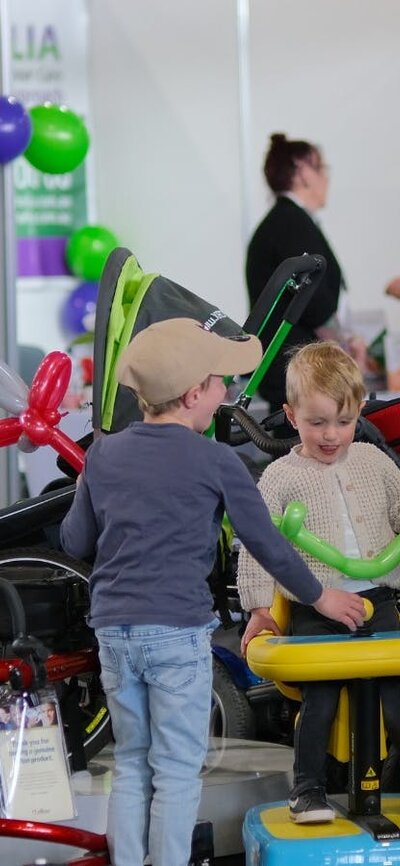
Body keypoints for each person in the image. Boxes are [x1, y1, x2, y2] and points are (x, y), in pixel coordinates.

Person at [60, 318, 364, 866]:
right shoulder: (215, 460)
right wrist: (321, 598)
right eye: (221, 380)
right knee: (177, 767)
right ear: (194, 393)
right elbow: (267, 545)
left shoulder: (104, 455)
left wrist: (89, 485)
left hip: (113, 631)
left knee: (131, 760)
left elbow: (76, 540)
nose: (227, 391)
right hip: (175, 633)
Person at [237, 340, 400, 824]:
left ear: (360, 412)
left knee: (397, 700)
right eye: (317, 422)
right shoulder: (281, 477)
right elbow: (256, 543)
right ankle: (307, 790)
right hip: (315, 604)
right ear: (290, 416)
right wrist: (259, 608)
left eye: (344, 422)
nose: (331, 435)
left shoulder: (376, 463)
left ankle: (391, 782)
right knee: (321, 700)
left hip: (378, 601)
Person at [245, 132, 367, 416]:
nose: (327, 178)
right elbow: (316, 304)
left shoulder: (286, 222)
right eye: (321, 168)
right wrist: (347, 345)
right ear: (303, 171)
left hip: (296, 374)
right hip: (299, 378)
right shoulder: (289, 224)